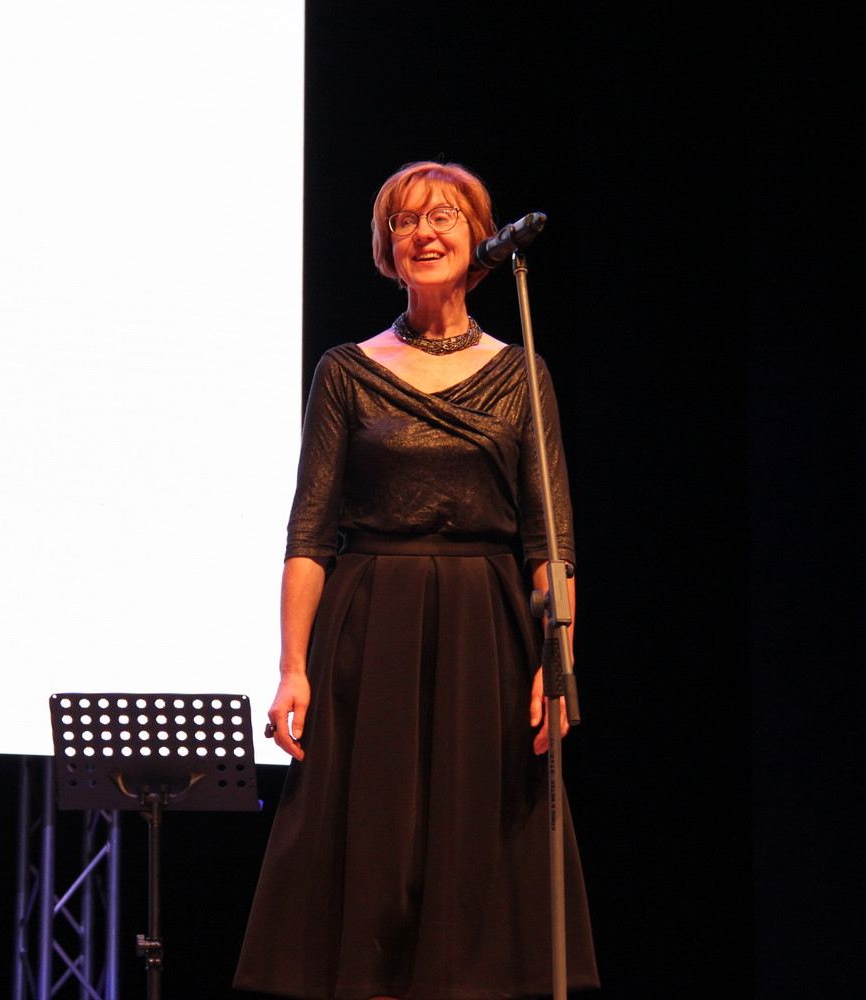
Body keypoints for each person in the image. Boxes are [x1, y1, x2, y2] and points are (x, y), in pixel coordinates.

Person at [234, 161, 597, 1000]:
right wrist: (292, 667)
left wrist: (559, 659)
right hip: (372, 626)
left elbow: (550, 540)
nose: (423, 233)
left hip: (485, 627)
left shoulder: (523, 372)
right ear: (386, 247)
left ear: (479, 238)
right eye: (404, 221)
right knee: (373, 843)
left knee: (475, 844)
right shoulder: (346, 370)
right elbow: (310, 531)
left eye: (443, 217)